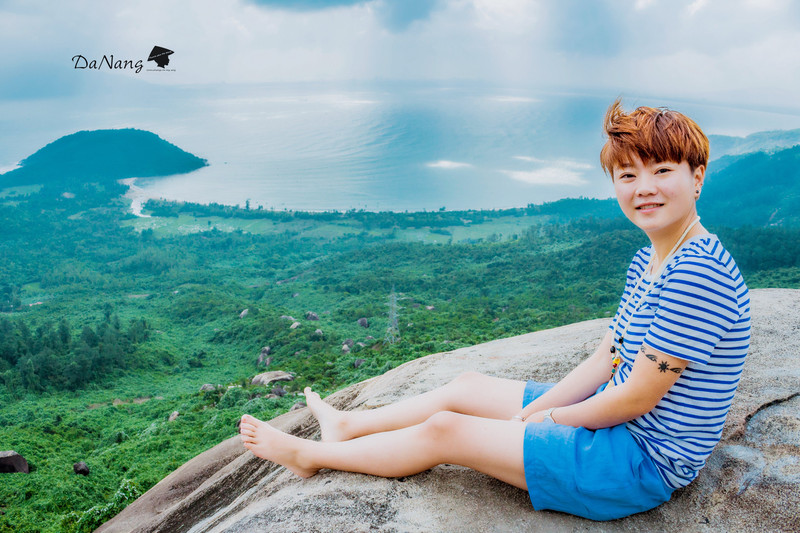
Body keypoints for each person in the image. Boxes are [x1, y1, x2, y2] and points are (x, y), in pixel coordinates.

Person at [239, 99, 751, 521]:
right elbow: (604, 362)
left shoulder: (696, 276)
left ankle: (310, 456)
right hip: (616, 424)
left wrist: (544, 418)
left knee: (447, 429)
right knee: (467, 388)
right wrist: (533, 414)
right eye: (628, 174)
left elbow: (634, 399)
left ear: (697, 176)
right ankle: (348, 427)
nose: (644, 189)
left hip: (637, 462)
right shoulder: (651, 260)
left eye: (663, 171)